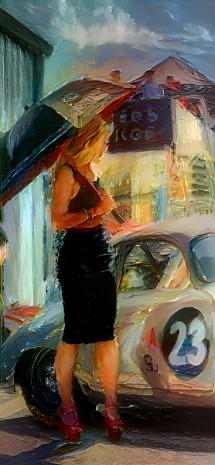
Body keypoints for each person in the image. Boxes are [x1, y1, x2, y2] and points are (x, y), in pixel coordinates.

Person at [50, 120, 124, 442]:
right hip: (76, 258)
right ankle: (67, 408)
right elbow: (58, 220)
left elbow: (100, 212)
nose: (106, 147)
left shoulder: (94, 168)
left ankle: (111, 406)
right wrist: (96, 212)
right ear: (92, 139)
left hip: (99, 253)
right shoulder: (66, 173)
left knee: (106, 334)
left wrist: (110, 221)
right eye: (103, 141)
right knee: (75, 335)